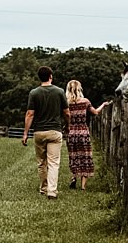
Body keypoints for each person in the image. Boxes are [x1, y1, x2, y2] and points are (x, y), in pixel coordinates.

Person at [22, 66, 70, 200]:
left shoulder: (34, 93)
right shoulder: (59, 92)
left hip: (39, 132)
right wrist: (68, 126)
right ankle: (52, 191)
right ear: (51, 76)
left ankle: (43, 188)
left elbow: (30, 114)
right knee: (54, 162)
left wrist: (25, 133)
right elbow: (66, 112)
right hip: (55, 131)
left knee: (41, 162)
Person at [64, 80, 110, 191]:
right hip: (83, 132)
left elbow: (65, 116)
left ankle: (74, 176)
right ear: (79, 89)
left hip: (72, 133)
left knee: (74, 156)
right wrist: (103, 105)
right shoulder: (85, 101)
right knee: (85, 156)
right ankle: (83, 186)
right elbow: (95, 112)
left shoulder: (66, 103)